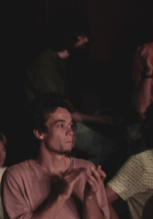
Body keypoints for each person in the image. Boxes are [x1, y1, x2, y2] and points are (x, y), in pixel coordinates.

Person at [24, 15, 118, 169]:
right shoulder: (45, 63)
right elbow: (57, 107)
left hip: (59, 122)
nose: (86, 40)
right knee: (109, 149)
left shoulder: (59, 62)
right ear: (69, 36)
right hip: (49, 125)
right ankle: (75, 180)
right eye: (82, 36)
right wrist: (99, 120)